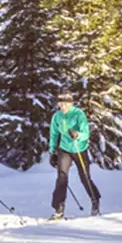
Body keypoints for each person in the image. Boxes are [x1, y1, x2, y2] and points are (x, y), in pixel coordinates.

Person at [47, 91, 101, 219]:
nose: (63, 106)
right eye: (60, 103)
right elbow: (54, 134)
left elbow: (86, 134)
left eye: (65, 104)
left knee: (84, 177)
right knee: (62, 177)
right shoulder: (57, 116)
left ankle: (95, 201)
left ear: (71, 104)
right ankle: (59, 209)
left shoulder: (78, 114)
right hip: (64, 149)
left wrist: (77, 135)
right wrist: (52, 151)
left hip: (79, 148)